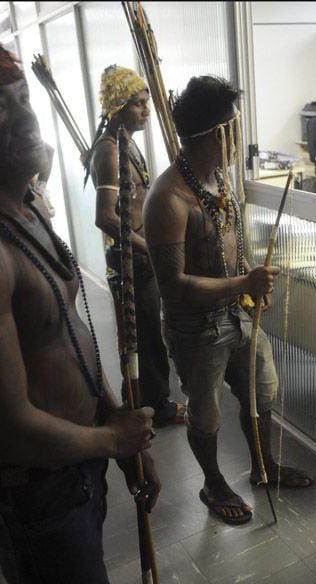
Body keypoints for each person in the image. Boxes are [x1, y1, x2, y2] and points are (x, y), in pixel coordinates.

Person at [0, 3, 159, 581]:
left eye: (22, 98)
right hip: (31, 488)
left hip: (73, 462)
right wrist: (110, 440)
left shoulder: (25, 201)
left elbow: (66, 329)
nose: (26, 121)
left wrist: (115, 423)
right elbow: (5, 427)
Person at [144, 75, 314, 526]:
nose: (240, 135)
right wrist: (244, 285)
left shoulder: (220, 178)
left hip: (240, 315)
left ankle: (263, 467)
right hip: (196, 328)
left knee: (262, 394)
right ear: (220, 133)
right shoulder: (168, 198)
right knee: (206, 414)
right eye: (235, 126)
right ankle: (213, 482)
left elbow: (235, 248)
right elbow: (174, 288)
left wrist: (257, 285)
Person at [85, 64, 185, 428]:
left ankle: (144, 399)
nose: (147, 111)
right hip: (131, 259)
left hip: (143, 256)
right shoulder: (110, 151)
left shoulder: (126, 143)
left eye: (147, 102)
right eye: (139, 104)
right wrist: (150, 249)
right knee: (142, 337)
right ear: (117, 107)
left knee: (148, 335)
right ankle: (154, 406)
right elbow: (106, 217)